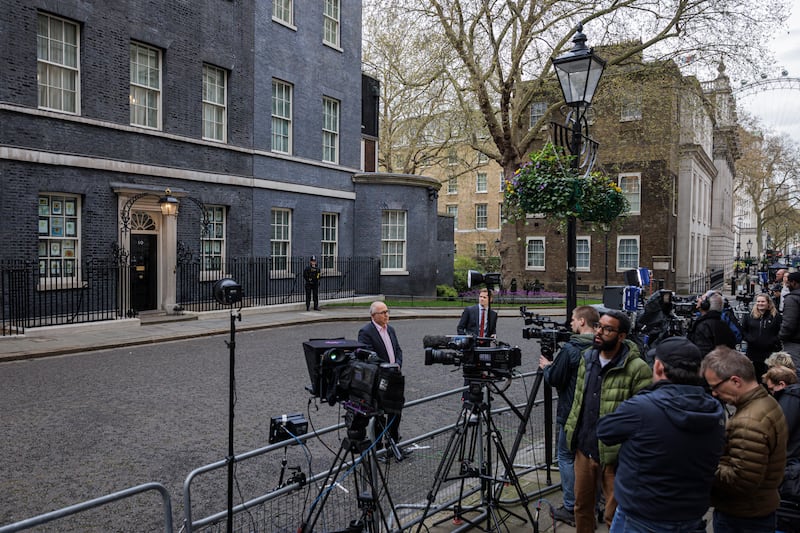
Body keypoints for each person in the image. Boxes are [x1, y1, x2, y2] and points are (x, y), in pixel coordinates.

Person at [597, 337, 725, 532]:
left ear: (658, 367)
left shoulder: (643, 407)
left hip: (641, 516)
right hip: (690, 514)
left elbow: (604, 430)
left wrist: (646, 393)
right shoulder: (714, 409)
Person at [563, 309, 652, 532]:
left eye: (607, 329)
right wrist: (571, 433)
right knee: (581, 508)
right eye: (599, 327)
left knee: (617, 516)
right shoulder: (588, 358)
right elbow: (579, 401)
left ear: (621, 336)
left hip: (616, 455)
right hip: (585, 448)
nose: (599, 332)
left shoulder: (638, 368)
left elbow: (643, 416)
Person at [701, 346, 788, 531]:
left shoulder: (749, 421)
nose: (714, 393)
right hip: (758, 509)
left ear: (735, 381)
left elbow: (741, 481)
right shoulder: (767, 401)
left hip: (742, 517)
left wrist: (703, 463)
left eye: (715, 386)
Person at [538, 305, 600, 527]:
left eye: (573, 319)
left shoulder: (571, 349)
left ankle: (572, 506)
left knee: (565, 456)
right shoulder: (603, 346)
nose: (570, 323)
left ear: (583, 321)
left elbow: (555, 378)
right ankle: (594, 504)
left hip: (571, 412)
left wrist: (547, 367)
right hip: (594, 413)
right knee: (592, 458)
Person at [357, 301, 405, 449]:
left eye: (387, 311)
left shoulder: (390, 329)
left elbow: (398, 349)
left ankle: (393, 440)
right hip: (380, 379)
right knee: (378, 412)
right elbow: (369, 357)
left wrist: (397, 364)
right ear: (373, 315)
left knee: (396, 410)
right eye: (383, 313)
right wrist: (387, 368)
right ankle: (377, 444)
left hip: (395, 376)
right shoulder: (366, 332)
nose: (386, 315)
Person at [763, 365, 800, 502]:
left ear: (782, 384)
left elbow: (780, 433)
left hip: (790, 467)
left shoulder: (789, 398)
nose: (771, 393)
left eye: (772, 389)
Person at [741, 293, 782, 382]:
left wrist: (773, 340)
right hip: (753, 352)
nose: (760, 303)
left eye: (763, 301)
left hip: (770, 353)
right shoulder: (750, 316)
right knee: (754, 378)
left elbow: (781, 331)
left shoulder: (776, 316)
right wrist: (749, 339)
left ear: (768, 303)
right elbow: (743, 330)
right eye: (758, 301)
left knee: (770, 378)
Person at [687, 290, 737, 356]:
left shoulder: (704, 326)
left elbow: (702, 353)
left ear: (705, 305)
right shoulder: (722, 324)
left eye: (701, 298)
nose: (698, 299)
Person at [779, 271, 800, 370]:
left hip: (794, 343)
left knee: (794, 372)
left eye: (788, 283)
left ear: (794, 283)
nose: (787, 285)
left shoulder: (792, 299)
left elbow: (788, 323)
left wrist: (780, 336)